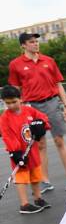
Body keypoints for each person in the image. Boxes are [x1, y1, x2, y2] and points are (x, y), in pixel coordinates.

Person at [8, 32, 66, 192]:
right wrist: (17, 111)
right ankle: (45, 180)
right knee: (40, 145)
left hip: (52, 103)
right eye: (31, 42)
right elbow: (16, 90)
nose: (36, 44)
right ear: (23, 45)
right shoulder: (15, 64)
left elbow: (59, 85)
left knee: (59, 141)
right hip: (31, 107)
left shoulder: (49, 61)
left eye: (36, 41)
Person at [0, 85, 51, 214]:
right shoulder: (4, 118)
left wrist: (41, 125)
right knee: (22, 178)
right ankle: (24, 204)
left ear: (20, 99)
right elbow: (7, 135)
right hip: (19, 154)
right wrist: (15, 152)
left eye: (14, 102)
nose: (11, 105)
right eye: (7, 103)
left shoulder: (29, 111)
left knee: (35, 175)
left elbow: (42, 118)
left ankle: (38, 198)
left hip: (32, 151)